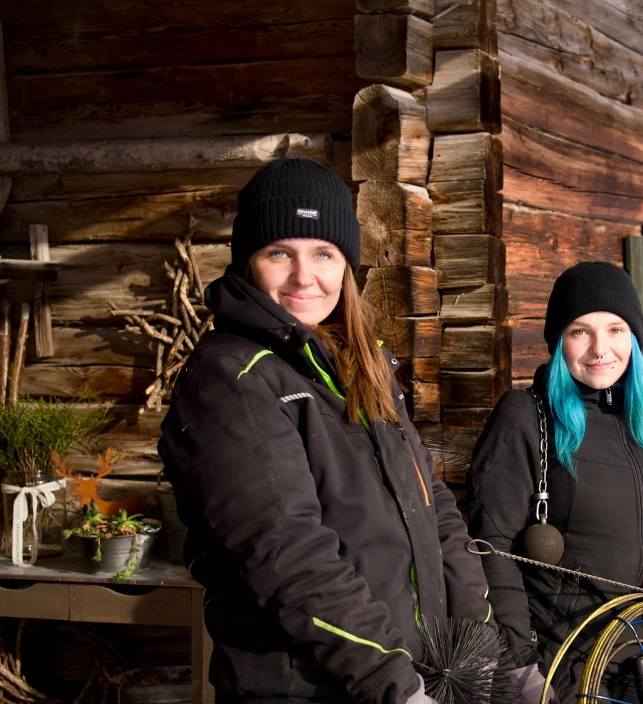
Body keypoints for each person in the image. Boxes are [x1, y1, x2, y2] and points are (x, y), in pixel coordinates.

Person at [158, 159, 493, 704]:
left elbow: (434, 513)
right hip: (311, 688)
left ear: (346, 264)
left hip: (414, 675)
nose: (303, 276)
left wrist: (479, 649)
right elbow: (286, 553)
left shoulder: (367, 365)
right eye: (278, 253)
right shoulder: (231, 378)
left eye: (322, 253)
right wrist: (395, 685)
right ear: (248, 262)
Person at [466, 262, 643, 704]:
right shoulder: (526, 418)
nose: (600, 349)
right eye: (580, 331)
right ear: (558, 341)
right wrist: (520, 667)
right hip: (564, 669)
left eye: (616, 330)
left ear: (635, 339)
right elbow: (490, 547)